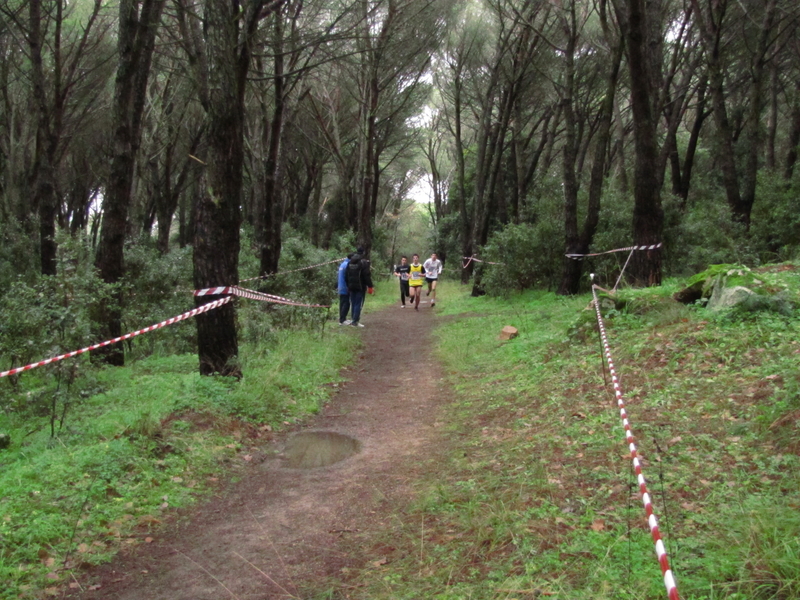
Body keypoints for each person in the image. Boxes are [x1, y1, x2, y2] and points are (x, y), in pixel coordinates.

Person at [345, 247, 374, 327]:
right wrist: (370, 286)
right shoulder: (363, 262)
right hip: (360, 287)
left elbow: (346, 275)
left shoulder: (350, 262)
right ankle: (355, 321)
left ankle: (353, 319)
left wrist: (348, 285)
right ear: (363, 253)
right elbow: (366, 275)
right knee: (358, 303)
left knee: (353, 303)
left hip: (351, 286)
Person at [337, 254, 352, 325]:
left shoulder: (342, 264)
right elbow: (347, 277)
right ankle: (342, 320)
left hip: (340, 286)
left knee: (342, 303)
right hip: (345, 287)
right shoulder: (347, 265)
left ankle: (342, 318)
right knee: (346, 303)